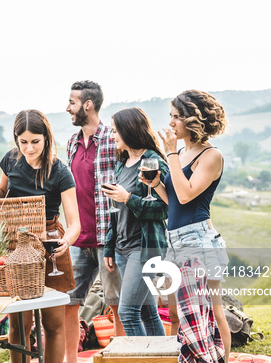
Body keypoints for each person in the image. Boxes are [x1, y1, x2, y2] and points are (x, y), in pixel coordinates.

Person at [0, 109, 80, 363]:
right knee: (19, 325)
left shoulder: (60, 171)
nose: (29, 149)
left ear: (46, 138)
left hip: (50, 246)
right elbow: (1, 205)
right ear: (16, 139)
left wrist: (67, 241)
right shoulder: (11, 160)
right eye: (23, 142)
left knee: (53, 325)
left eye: (35, 142)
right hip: (16, 245)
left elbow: (75, 223)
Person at [145, 90, 231, 357]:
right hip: (177, 240)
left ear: (195, 120)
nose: (170, 123)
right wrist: (156, 184)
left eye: (176, 117)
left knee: (213, 311)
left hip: (199, 242)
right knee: (179, 313)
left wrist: (169, 154)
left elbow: (186, 193)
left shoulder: (210, 156)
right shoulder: (181, 152)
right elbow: (175, 202)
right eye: (170, 116)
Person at [65, 80, 124, 351]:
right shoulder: (72, 144)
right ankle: (70, 358)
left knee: (117, 301)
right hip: (78, 237)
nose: (68, 108)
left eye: (72, 102)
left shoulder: (113, 140)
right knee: (70, 301)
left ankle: (123, 354)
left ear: (88, 105)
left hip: (107, 237)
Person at [101, 107, 168, 336]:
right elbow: (115, 211)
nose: (112, 136)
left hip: (144, 249)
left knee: (127, 313)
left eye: (114, 131)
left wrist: (129, 198)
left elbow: (164, 208)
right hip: (122, 249)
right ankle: (162, 360)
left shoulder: (153, 162)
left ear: (128, 130)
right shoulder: (122, 163)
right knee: (148, 313)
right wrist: (110, 247)